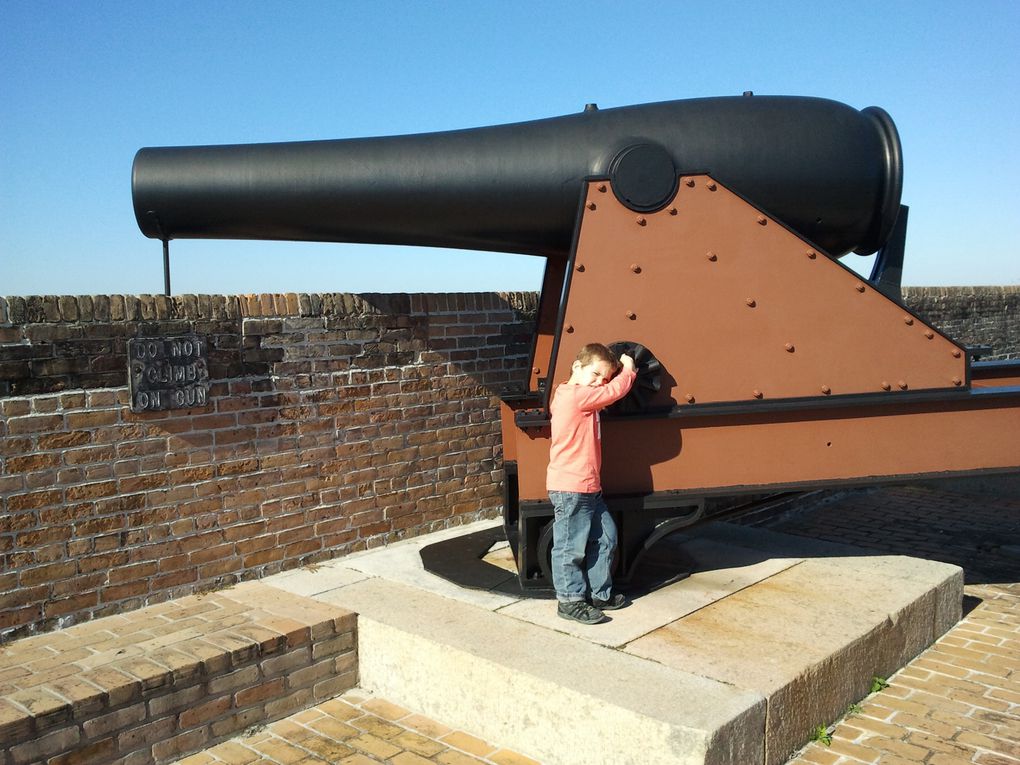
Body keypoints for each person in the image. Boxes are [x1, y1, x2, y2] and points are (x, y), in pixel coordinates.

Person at [547, 342, 637, 624]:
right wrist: (629, 369)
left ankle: (600, 593)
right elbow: (614, 392)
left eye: (604, 378)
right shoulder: (574, 395)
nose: (600, 382)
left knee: (606, 537)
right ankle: (570, 601)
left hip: (588, 487)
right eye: (595, 374)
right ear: (577, 366)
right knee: (570, 547)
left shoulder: (582, 396)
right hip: (571, 487)